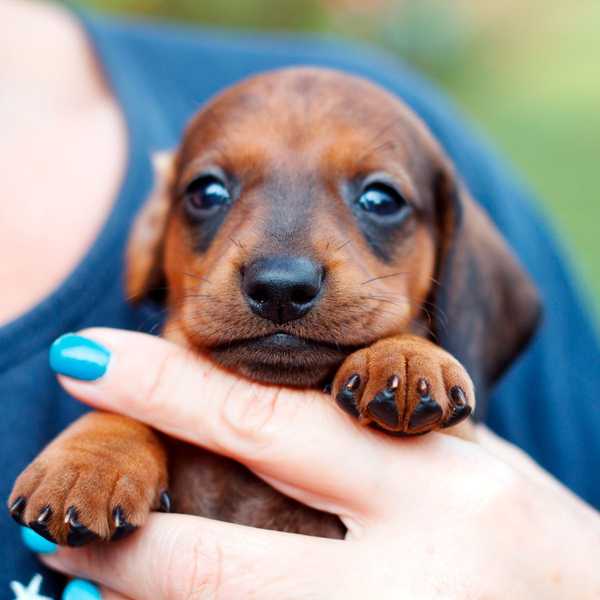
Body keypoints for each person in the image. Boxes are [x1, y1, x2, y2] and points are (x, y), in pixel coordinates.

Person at [1, 1, 598, 598]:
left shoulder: (424, 122)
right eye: (210, 193)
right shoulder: (137, 412)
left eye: (379, 200)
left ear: (445, 244)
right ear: (154, 238)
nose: (281, 272)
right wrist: (113, 439)